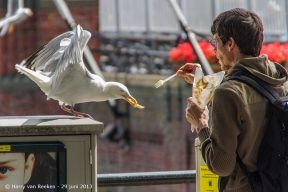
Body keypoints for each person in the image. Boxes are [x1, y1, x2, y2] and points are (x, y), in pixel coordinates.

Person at [176, 8, 288, 191]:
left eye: (216, 42)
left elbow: (221, 166)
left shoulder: (228, 93)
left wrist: (201, 125)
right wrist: (203, 84)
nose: (214, 50)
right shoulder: (279, 78)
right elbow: (251, 98)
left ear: (230, 44)